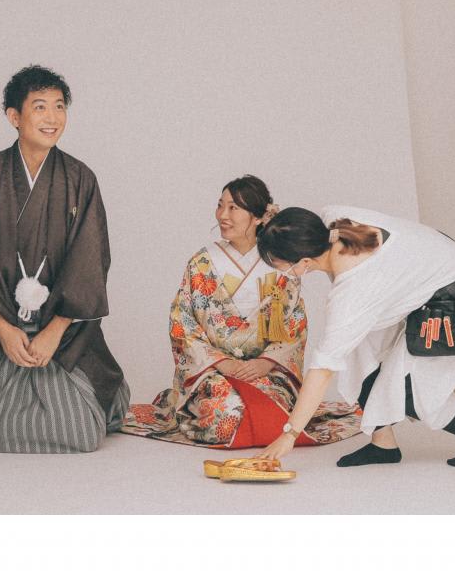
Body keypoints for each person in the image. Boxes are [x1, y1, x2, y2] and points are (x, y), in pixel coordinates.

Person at [0, 65, 129, 453]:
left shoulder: (80, 179)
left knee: (82, 433)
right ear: (14, 116)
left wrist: (54, 330)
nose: (52, 118)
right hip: (0, 331)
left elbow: (90, 263)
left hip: (62, 334)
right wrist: (3, 329)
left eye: (59, 106)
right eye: (40, 107)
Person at [255, 205, 455, 470]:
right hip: (428, 273)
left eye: (280, 266)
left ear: (305, 263)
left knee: (412, 392)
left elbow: (322, 370)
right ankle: (383, 445)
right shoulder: (329, 219)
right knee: (358, 354)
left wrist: (290, 434)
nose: (282, 273)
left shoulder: (353, 293)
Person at [122, 177, 361, 448]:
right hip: (211, 371)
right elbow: (182, 322)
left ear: (258, 217)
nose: (222, 215)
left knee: (273, 415)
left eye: (233, 208)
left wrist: (266, 362)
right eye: (220, 205)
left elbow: (294, 324)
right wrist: (221, 363)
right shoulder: (202, 262)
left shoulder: (280, 260)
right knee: (226, 415)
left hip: (266, 371)